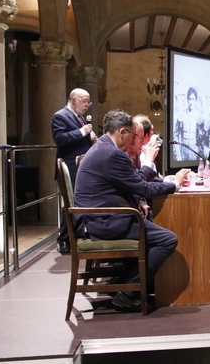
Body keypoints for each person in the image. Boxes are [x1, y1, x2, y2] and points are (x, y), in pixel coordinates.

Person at [74, 109, 190, 312]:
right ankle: (128, 292)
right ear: (122, 132)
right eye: (132, 135)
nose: (133, 140)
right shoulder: (112, 154)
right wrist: (175, 184)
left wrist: (140, 199)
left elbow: (128, 184)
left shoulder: (102, 148)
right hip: (105, 222)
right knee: (168, 239)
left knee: (151, 221)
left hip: (98, 218)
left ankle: (126, 282)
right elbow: (143, 187)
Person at [51, 88, 96, 253]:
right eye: (84, 101)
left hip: (82, 168)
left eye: (88, 102)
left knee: (80, 202)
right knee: (70, 203)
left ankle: (75, 236)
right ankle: (63, 240)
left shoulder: (80, 118)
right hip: (69, 167)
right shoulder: (60, 116)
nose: (87, 105)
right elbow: (59, 139)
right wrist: (81, 132)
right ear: (73, 99)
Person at [174, 87, 203, 160]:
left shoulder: (199, 116)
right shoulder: (182, 115)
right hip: (183, 153)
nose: (191, 102)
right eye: (189, 99)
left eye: (193, 99)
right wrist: (178, 154)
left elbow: (202, 138)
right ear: (187, 100)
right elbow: (176, 135)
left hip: (195, 153)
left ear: (196, 100)